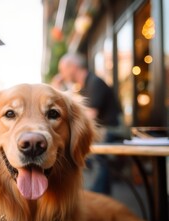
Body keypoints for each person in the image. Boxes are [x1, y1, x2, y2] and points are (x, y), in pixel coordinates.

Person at [52, 52, 122, 194]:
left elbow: (90, 115)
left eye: (62, 69)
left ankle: (97, 195)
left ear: (73, 67)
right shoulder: (84, 85)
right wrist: (56, 88)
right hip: (102, 129)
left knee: (92, 153)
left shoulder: (95, 82)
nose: (61, 74)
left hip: (113, 129)